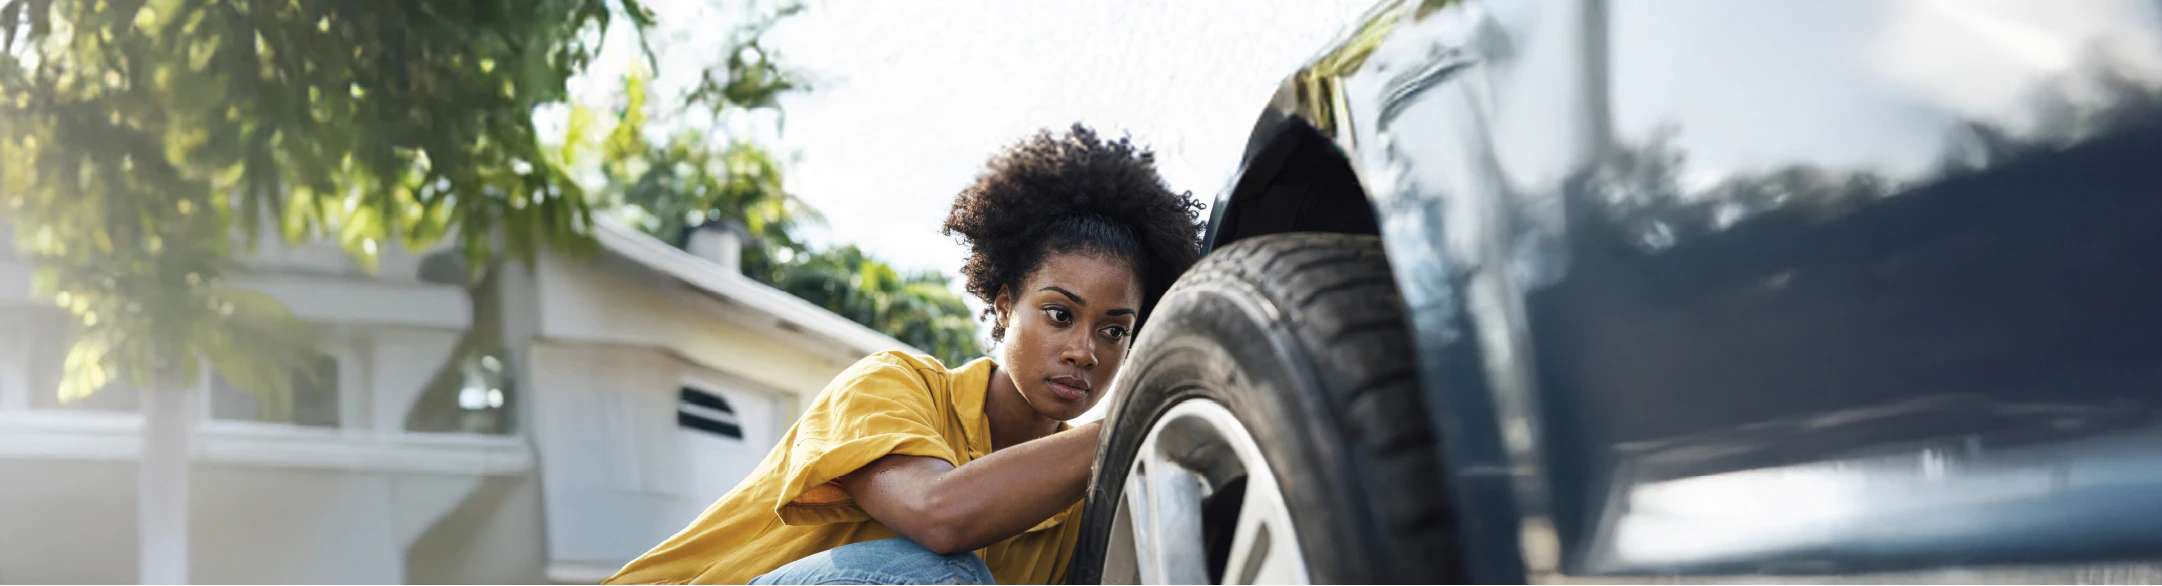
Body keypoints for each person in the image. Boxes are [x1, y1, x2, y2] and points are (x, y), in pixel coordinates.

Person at [604, 124, 1204, 585]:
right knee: (944, 572)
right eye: (1059, 314)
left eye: (1115, 330)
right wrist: (1141, 417)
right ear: (1003, 306)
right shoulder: (890, 385)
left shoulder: (1077, 503)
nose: (1084, 351)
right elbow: (939, 515)